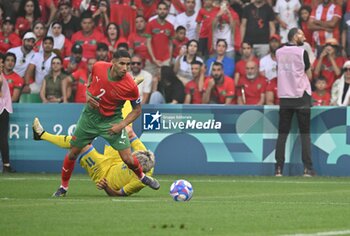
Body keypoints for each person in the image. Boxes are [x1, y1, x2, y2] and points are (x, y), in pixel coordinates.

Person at [53, 50, 160, 197]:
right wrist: (87, 93)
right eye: (122, 63)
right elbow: (91, 78)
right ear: (113, 62)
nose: (125, 68)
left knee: (128, 158)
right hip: (90, 117)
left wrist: (121, 125)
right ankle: (63, 188)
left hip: (112, 121)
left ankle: (142, 177)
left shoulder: (130, 86)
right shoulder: (98, 66)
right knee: (73, 153)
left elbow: (137, 110)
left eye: (128, 64)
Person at [32, 118, 155, 197]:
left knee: (81, 144)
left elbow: (119, 194)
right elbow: (131, 133)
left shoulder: (141, 182)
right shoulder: (144, 153)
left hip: (104, 175)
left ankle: (42, 135)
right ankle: (127, 94)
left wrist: (106, 187)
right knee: (126, 129)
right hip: (116, 161)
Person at [274, 28, 314, 177]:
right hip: (300, 95)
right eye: (301, 34)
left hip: (285, 96)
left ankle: (278, 168)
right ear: (294, 36)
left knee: (282, 134)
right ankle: (307, 169)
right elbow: (309, 74)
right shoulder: (301, 52)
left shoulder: (278, 52)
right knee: (305, 134)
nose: (303, 37)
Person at [0, 53, 15, 173]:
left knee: (3, 137)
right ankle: (6, 165)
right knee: (3, 137)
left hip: (3, 108)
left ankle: (6, 165)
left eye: (1, 62)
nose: (1, 64)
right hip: (2, 108)